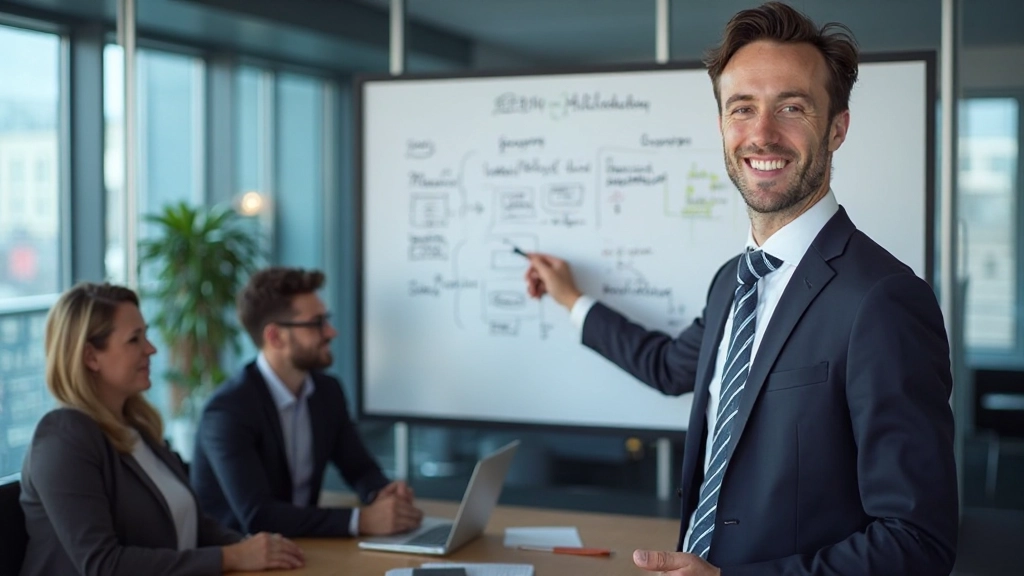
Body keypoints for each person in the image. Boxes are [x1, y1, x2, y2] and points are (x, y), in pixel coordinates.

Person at [524, 3, 957, 575]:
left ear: (837, 128)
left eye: (792, 108)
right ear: (722, 125)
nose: (762, 134)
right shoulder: (733, 280)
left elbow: (916, 542)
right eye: (742, 109)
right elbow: (665, 366)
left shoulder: (883, 301)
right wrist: (570, 299)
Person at [19, 283, 304, 576]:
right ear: (91, 357)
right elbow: (104, 565)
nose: (151, 349)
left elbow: (195, 524)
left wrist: (255, 549)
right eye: (134, 339)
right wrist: (230, 557)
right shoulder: (63, 437)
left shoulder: (138, 428)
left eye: (146, 335)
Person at [191, 267, 423, 538]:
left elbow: (359, 468)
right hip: (242, 558)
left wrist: (381, 492)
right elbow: (259, 516)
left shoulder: (327, 392)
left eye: (327, 320)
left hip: (302, 546)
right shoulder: (228, 411)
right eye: (317, 323)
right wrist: (362, 521)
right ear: (275, 337)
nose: (331, 332)